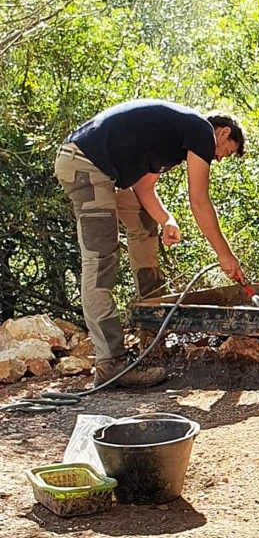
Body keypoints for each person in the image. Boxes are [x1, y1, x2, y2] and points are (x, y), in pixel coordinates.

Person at [54, 100, 247, 388]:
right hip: (87, 166)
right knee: (101, 261)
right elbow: (199, 201)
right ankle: (111, 363)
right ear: (222, 132)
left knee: (145, 223)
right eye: (225, 151)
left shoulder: (174, 138)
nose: (218, 158)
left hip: (101, 171)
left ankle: (152, 319)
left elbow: (143, 188)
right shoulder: (200, 130)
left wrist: (167, 219)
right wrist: (225, 255)